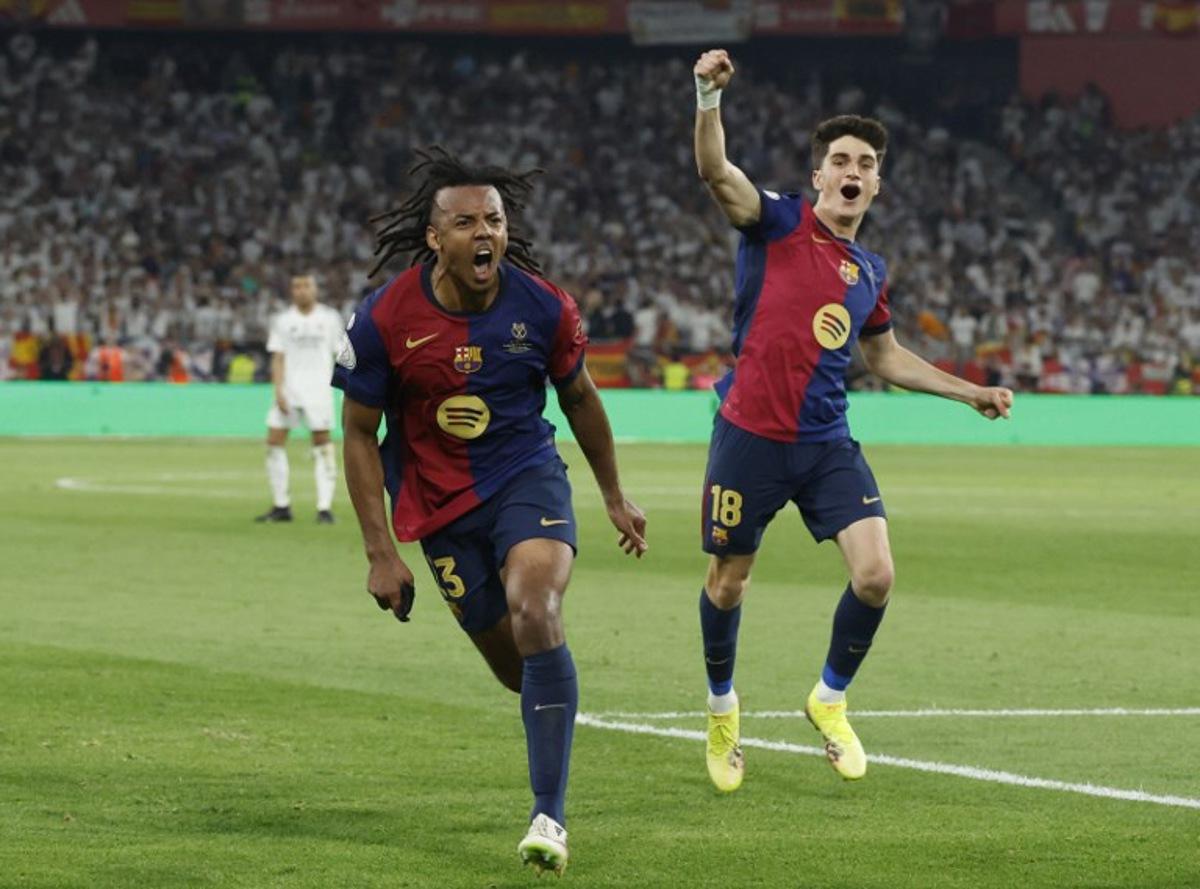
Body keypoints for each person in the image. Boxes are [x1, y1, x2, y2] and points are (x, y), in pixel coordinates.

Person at [691, 49, 1013, 792]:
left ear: (876, 181)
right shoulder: (775, 223)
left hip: (827, 443)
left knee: (876, 575)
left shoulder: (869, 271)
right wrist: (707, 97)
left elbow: (887, 357)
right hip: (748, 438)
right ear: (818, 176)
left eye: (865, 161)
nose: (852, 170)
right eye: (840, 158)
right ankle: (720, 707)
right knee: (728, 583)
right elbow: (716, 173)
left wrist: (971, 393)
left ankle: (828, 698)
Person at [333, 147, 647, 876]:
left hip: (526, 479)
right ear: (434, 237)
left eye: (495, 219)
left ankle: (550, 815)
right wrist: (380, 550)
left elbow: (579, 399)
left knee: (535, 607)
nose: (485, 233)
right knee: (518, 669)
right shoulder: (384, 317)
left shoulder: (542, 306)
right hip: (438, 509)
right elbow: (357, 433)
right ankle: (555, 706)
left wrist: (610, 492)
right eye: (466, 220)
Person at [255, 273, 344, 524]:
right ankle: (281, 505)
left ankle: (324, 507)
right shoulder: (283, 320)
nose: (301, 290)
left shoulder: (329, 318)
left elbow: (340, 353)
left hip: (319, 391)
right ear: (291, 291)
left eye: (306, 286)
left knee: (323, 445)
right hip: (289, 390)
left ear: (315, 289)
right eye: (296, 286)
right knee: (273, 442)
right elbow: (278, 357)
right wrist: (278, 390)